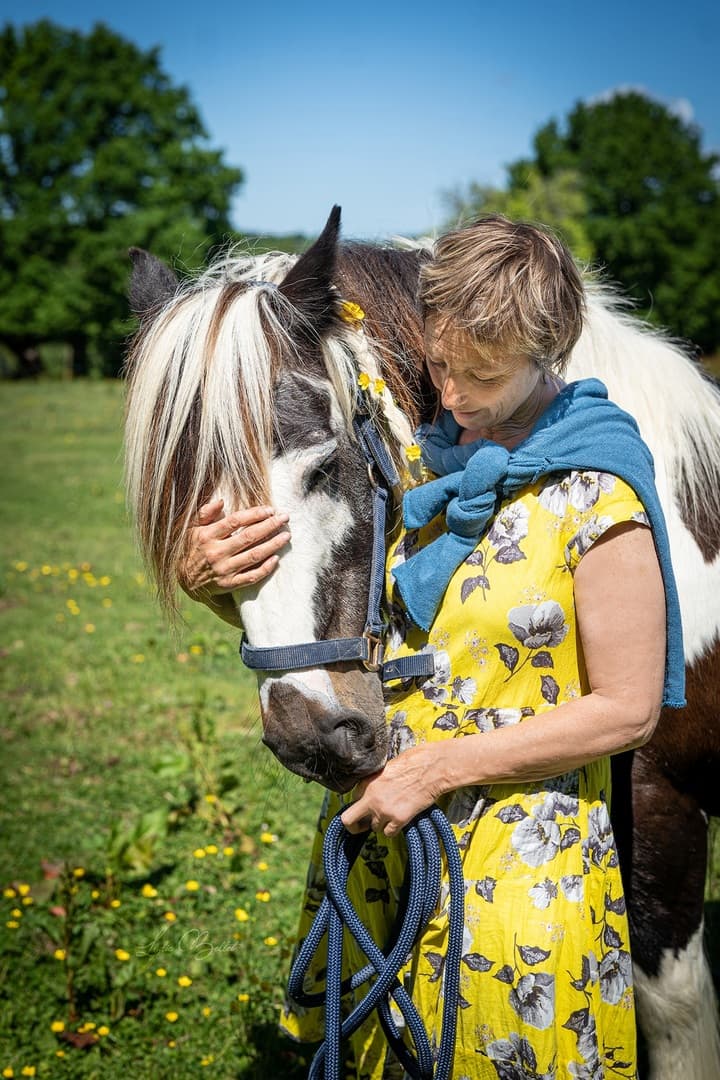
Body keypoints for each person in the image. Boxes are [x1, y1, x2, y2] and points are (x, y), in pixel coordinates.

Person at [180, 217, 679, 1079]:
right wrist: (209, 584)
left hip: (525, 863)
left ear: (549, 349)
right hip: (396, 843)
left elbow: (627, 711)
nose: (450, 393)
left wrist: (435, 770)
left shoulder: (600, 491)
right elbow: (351, 630)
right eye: (442, 363)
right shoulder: (420, 468)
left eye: (483, 375)